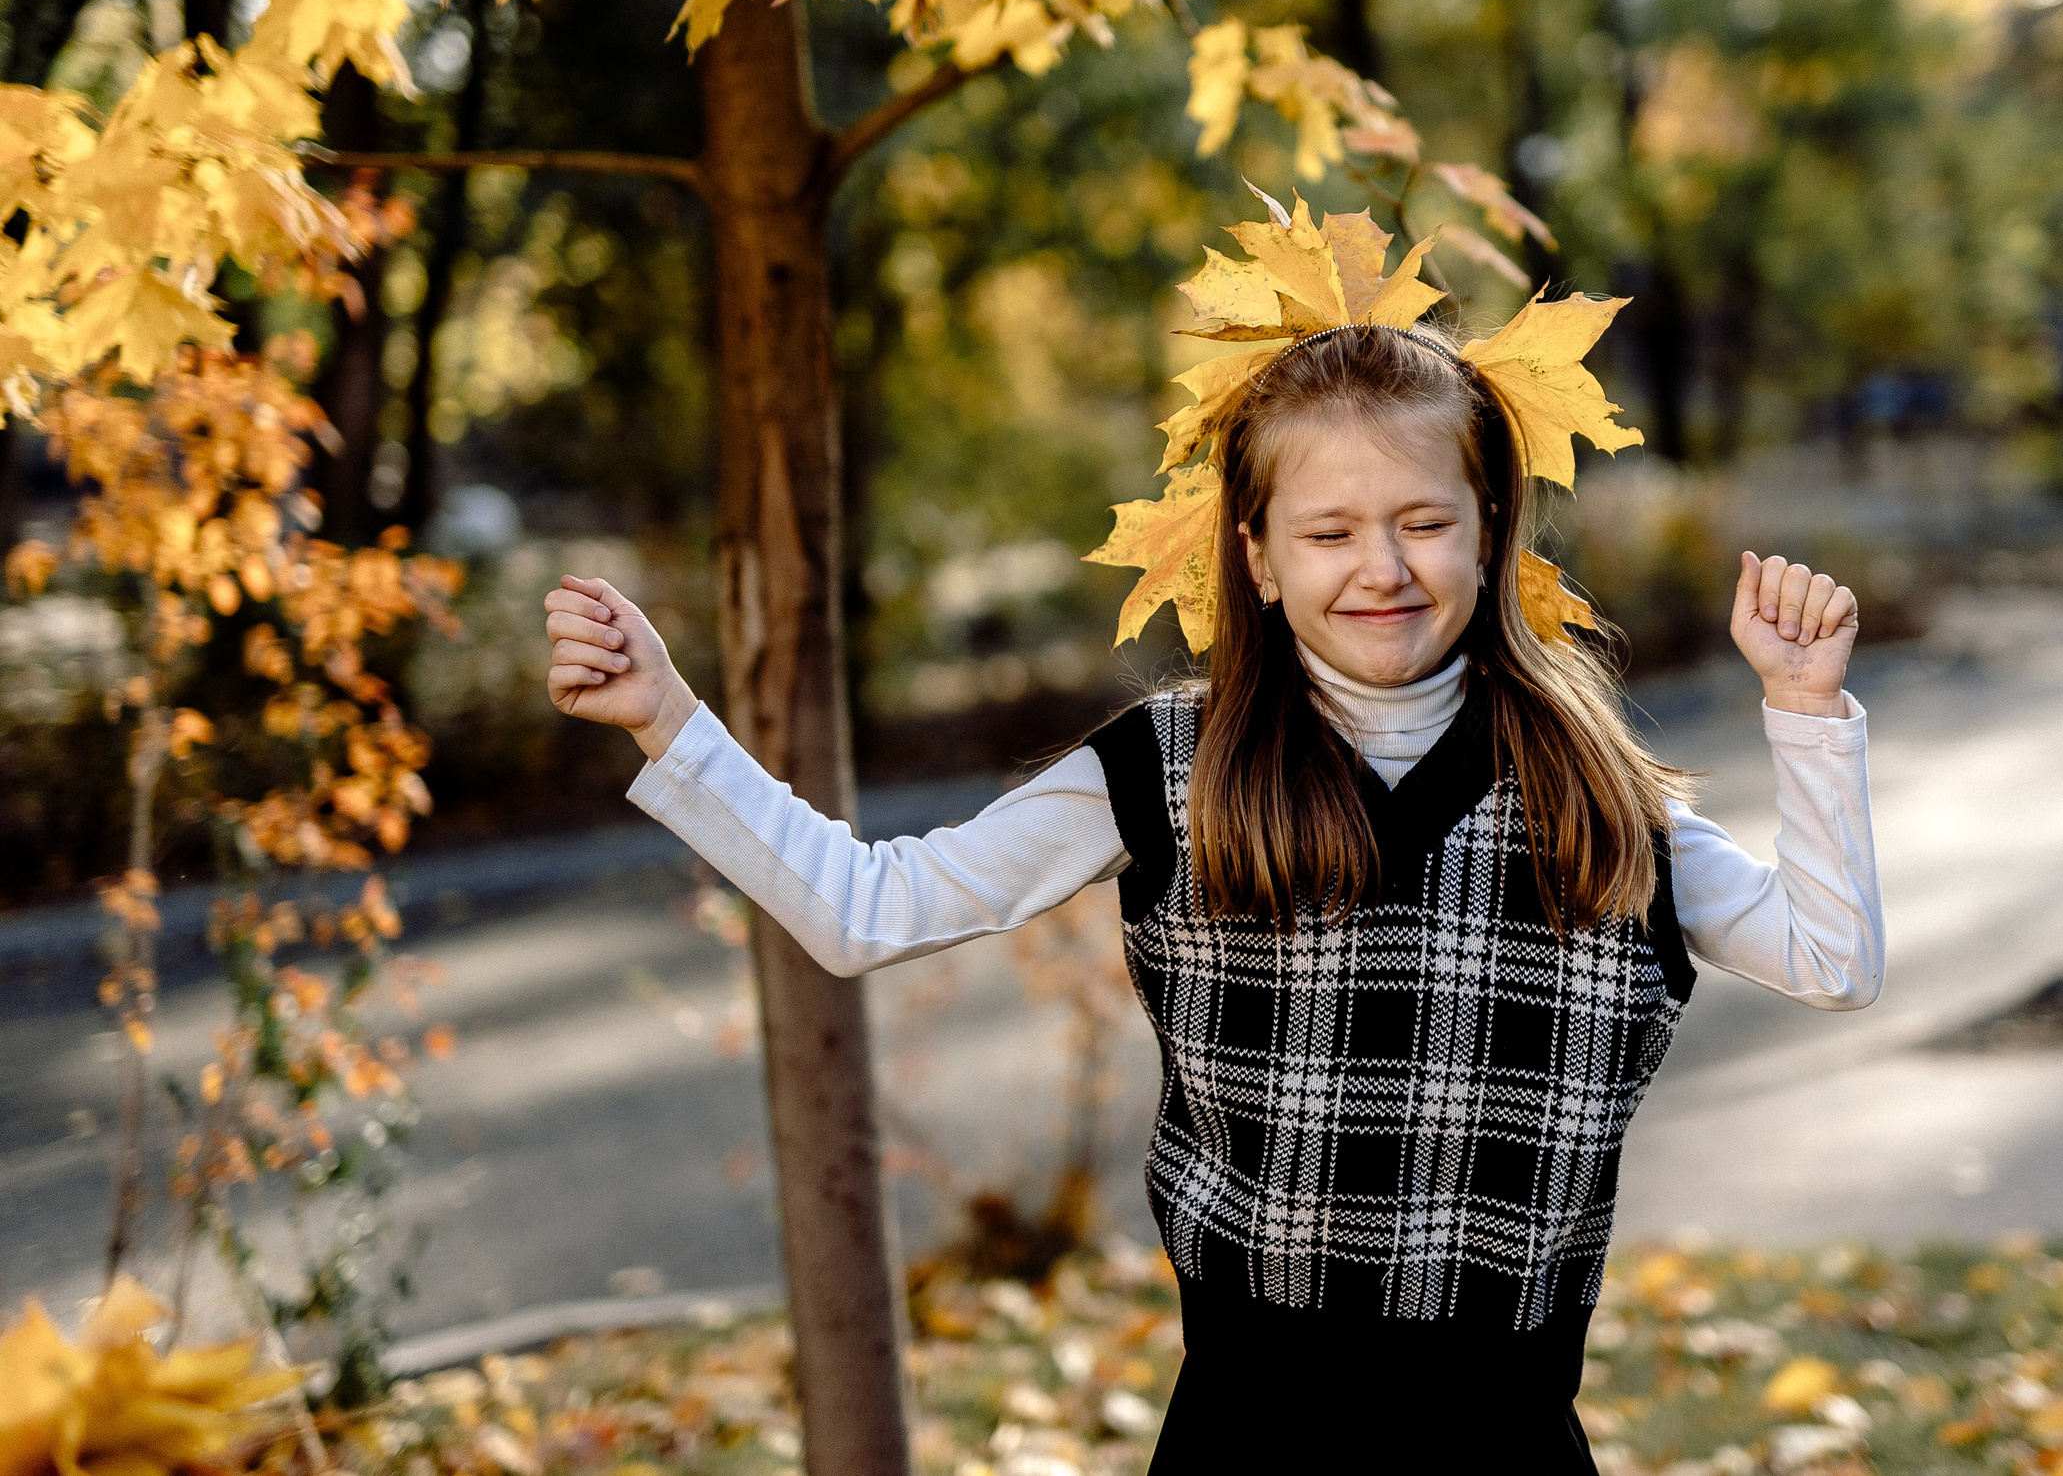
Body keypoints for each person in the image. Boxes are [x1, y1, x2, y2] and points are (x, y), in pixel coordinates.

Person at [542, 322, 1881, 1473]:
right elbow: (868, 909)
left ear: (1491, 532)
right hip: (1249, 1428)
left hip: (1508, 1433)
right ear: (1256, 554)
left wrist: (1807, 717)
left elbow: (1830, 957)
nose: (1384, 567)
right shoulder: (1166, 771)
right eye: (1330, 531)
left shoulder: (1601, 797)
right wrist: (671, 723)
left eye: (1425, 522)